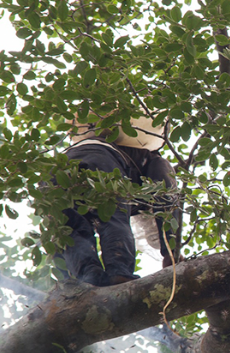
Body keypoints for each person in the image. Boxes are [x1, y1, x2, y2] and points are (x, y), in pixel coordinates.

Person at [56, 111, 181, 287]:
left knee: (70, 230)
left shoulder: (127, 159)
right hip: (99, 160)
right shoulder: (152, 158)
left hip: (56, 170)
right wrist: (171, 251)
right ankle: (119, 273)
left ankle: (90, 279)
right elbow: (166, 197)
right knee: (112, 216)